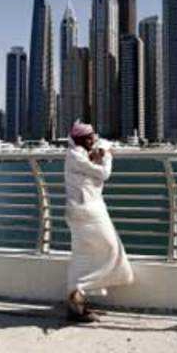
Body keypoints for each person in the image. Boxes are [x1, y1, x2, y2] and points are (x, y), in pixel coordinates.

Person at [64, 121, 134, 322]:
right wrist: (107, 154)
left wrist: (99, 152)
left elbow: (95, 165)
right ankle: (78, 292)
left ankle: (76, 304)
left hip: (83, 211)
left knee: (82, 255)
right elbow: (104, 173)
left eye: (93, 136)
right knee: (111, 248)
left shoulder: (80, 153)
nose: (92, 139)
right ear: (79, 139)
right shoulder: (76, 155)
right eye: (89, 137)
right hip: (87, 212)